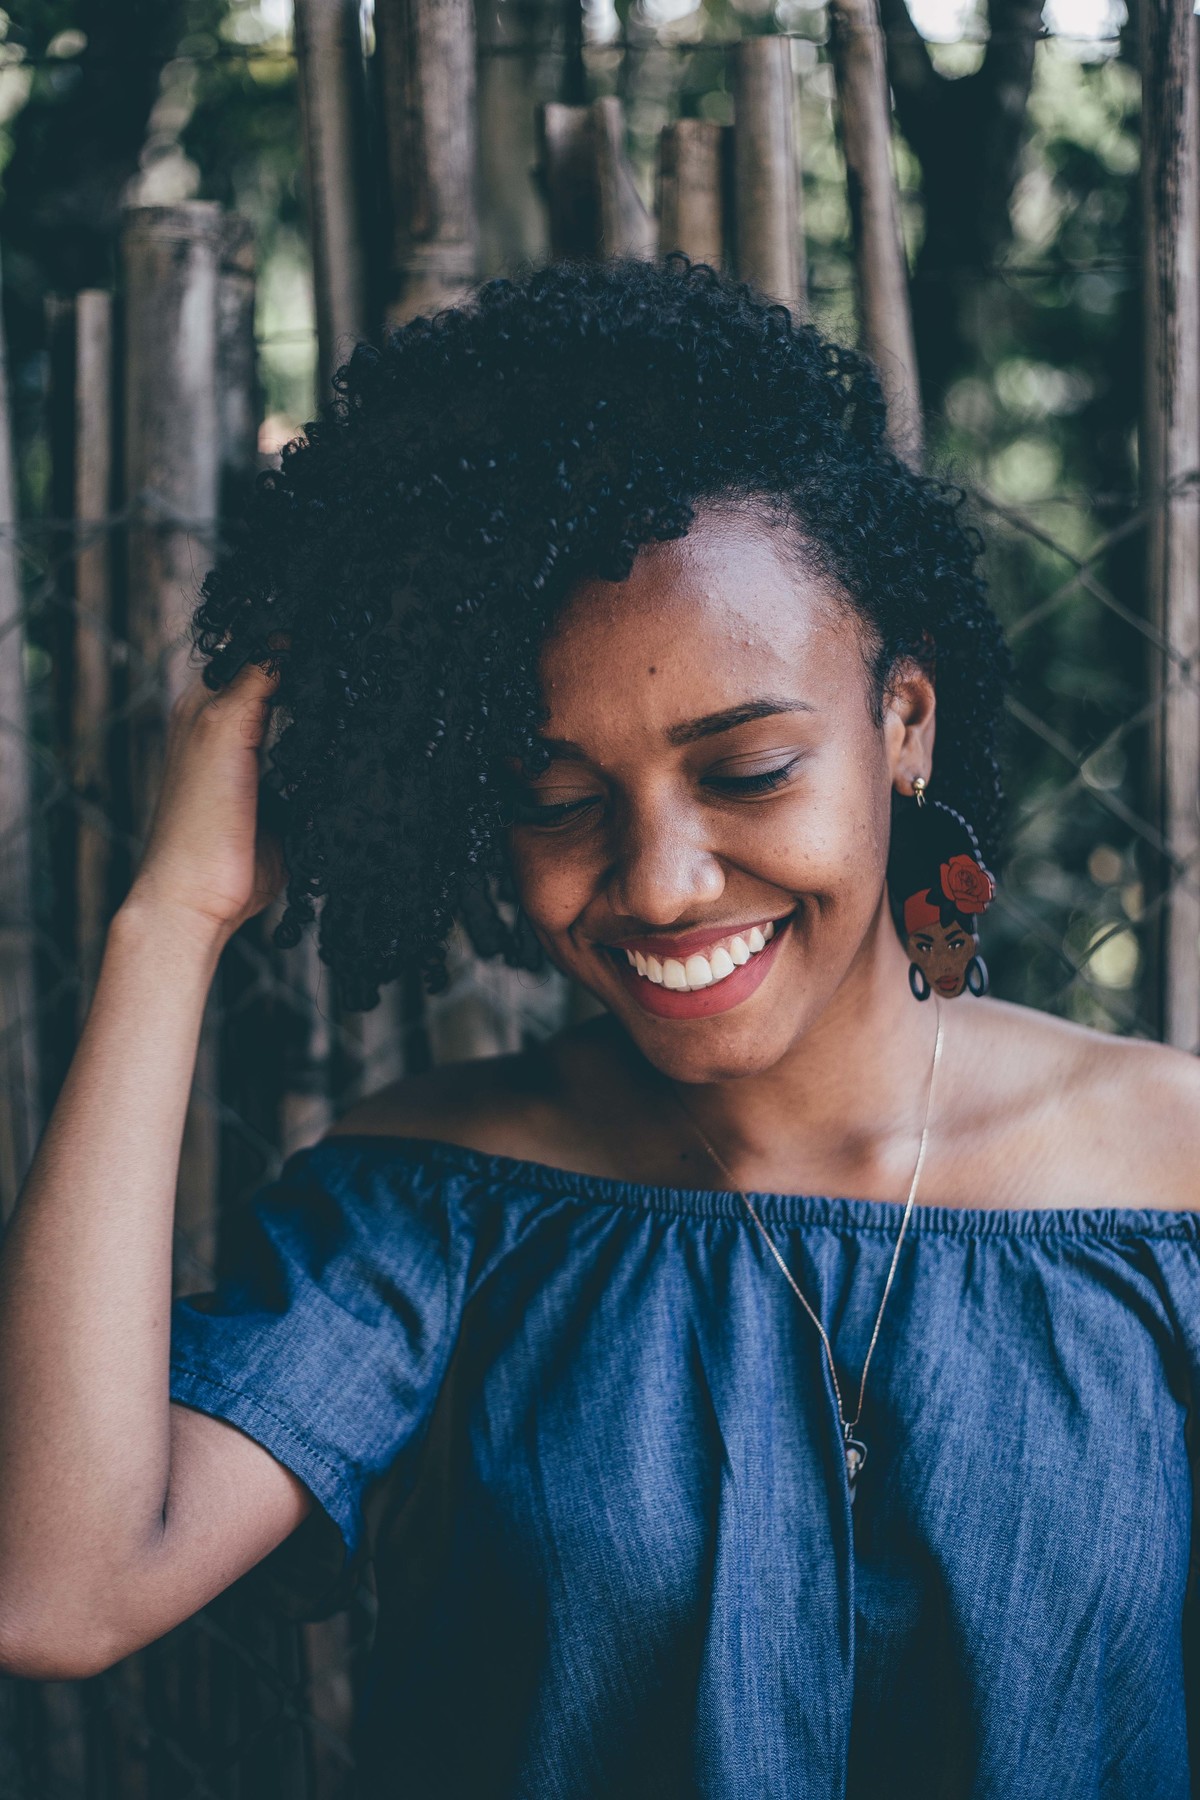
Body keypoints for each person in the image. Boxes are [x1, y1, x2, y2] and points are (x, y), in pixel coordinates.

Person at [0, 255, 1197, 1799]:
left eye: (750, 768)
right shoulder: (437, 1203)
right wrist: (168, 924)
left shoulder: (1171, 1182)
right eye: (555, 802)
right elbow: (56, 1588)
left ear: (904, 720)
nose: (663, 881)